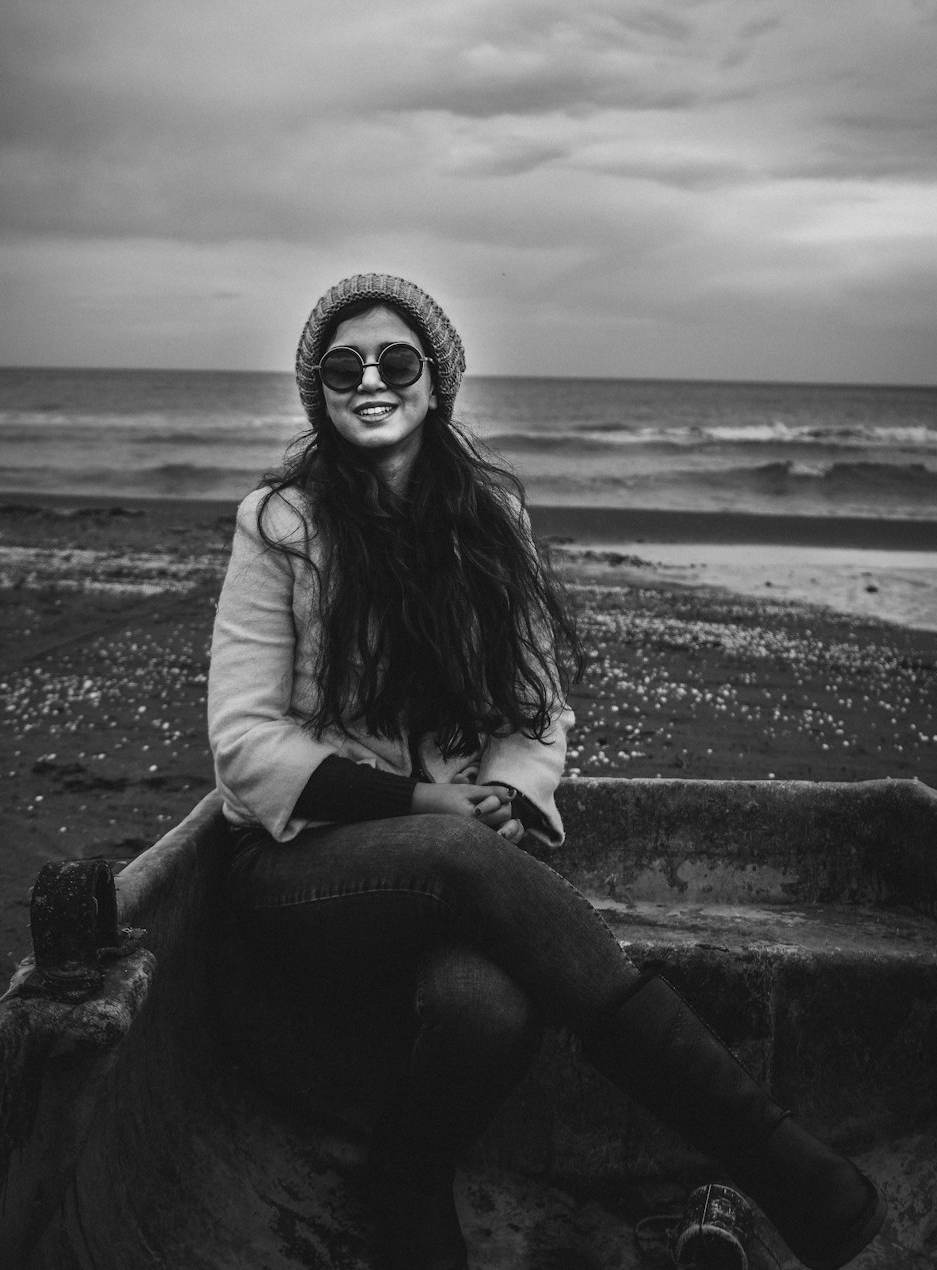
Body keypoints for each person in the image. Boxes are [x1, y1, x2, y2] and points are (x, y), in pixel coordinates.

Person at [208, 272, 885, 1270]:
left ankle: (404, 1173)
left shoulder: (488, 523)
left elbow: (535, 715)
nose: (369, 379)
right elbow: (244, 747)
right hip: (302, 875)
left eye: (396, 361)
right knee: (448, 854)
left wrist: (513, 798)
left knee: (492, 1006)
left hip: (453, 869)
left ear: (434, 384)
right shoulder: (277, 526)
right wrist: (427, 804)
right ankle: (782, 1165)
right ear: (318, 392)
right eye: (342, 366)